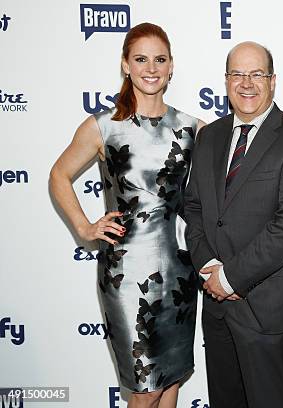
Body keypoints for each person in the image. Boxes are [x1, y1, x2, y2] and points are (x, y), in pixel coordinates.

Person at [49, 23, 203, 407]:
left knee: (170, 387)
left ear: (171, 67)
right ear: (125, 65)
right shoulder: (105, 127)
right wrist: (85, 227)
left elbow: (245, 148)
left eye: (160, 59)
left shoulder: (192, 128)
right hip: (127, 274)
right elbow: (59, 175)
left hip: (179, 272)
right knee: (145, 391)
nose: (151, 68)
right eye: (141, 59)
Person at [183, 41, 283, 408]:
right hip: (215, 305)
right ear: (226, 81)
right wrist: (210, 268)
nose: (247, 83)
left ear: (273, 81)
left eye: (257, 74)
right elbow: (194, 208)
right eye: (238, 74)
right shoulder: (209, 136)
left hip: (263, 306)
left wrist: (231, 278)